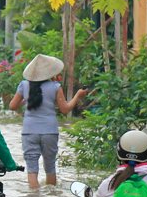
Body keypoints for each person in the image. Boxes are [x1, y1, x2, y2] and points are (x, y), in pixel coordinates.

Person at [8, 54, 88, 189]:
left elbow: (12, 106)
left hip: (29, 132)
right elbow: (65, 109)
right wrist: (77, 96)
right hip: (50, 132)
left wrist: (24, 100)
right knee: (50, 166)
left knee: (32, 168)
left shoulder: (24, 85)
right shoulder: (55, 87)